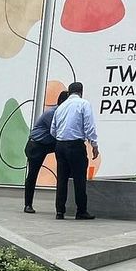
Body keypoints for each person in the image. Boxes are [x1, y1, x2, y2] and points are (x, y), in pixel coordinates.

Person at [50, 80, 99, 220]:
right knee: (79, 179)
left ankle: (60, 211)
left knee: (62, 179)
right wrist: (94, 145)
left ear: (69, 92)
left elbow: (53, 130)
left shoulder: (60, 107)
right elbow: (89, 126)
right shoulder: (84, 104)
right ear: (81, 92)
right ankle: (81, 211)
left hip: (60, 145)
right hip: (75, 145)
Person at [23, 90, 69, 213]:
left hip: (49, 143)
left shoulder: (62, 113)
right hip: (36, 145)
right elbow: (58, 131)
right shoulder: (52, 113)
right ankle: (28, 204)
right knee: (33, 174)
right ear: (61, 102)